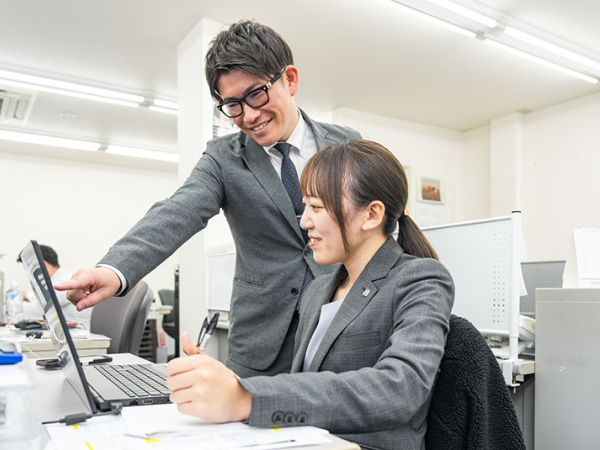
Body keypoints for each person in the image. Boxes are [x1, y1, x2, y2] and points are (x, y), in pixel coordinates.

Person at [55, 20, 361, 378]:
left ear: (289, 79)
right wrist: (113, 269)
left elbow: (376, 226)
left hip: (340, 326)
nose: (248, 116)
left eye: (256, 94)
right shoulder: (223, 157)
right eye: (232, 105)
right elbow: (177, 211)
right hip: (262, 344)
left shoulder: (348, 144)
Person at [166, 139, 455, 450]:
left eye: (316, 207)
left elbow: (401, 388)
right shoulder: (318, 290)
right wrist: (227, 383)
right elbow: (303, 383)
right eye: (306, 207)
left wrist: (246, 398)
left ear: (371, 215)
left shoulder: (421, 278)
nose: (304, 222)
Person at [22, 245, 92, 329]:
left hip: (79, 334)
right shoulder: (60, 278)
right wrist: (26, 295)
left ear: (43, 265)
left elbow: (38, 310)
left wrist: (5, 308)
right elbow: (43, 299)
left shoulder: (63, 283)